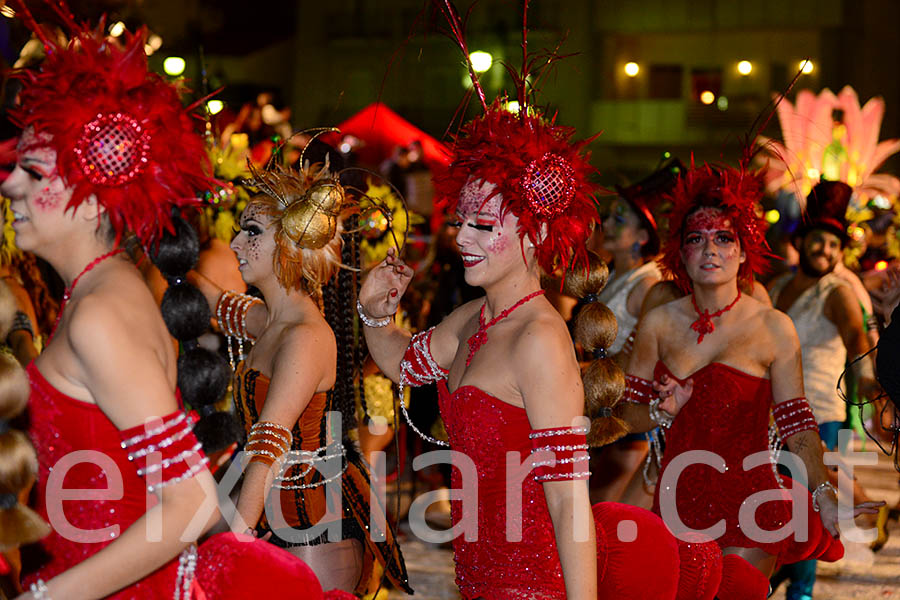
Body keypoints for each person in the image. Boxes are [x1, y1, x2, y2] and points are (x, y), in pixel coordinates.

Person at [2, 9, 325, 599]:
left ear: (96, 200)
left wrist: (44, 598)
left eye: (31, 169)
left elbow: (192, 503)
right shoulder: (103, 291)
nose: (9, 185)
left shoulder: (104, 308)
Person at [617, 164, 884, 597]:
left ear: (743, 252)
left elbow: (798, 426)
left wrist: (823, 494)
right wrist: (659, 411)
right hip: (677, 497)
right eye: (696, 239)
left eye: (724, 238)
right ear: (680, 253)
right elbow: (627, 418)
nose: (710, 250)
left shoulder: (772, 327)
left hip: (753, 501)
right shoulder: (659, 324)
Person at [190, 155, 411, 595]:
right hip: (268, 511)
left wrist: (233, 545)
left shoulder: (304, 337)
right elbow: (206, 297)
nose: (234, 243)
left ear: (291, 246)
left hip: (311, 528)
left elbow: (268, 447)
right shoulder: (267, 321)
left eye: (251, 232)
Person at [768, 181, 886, 598]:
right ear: (801, 242)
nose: (826, 251)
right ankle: (777, 575)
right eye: (819, 241)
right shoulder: (778, 289)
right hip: (773, 414)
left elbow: (858, 341)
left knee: (809, 508)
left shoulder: (836, 291)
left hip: (821, 413)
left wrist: (870, 383)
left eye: (834, 245)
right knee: (775, 502)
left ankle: (801, 591)